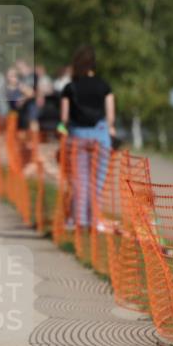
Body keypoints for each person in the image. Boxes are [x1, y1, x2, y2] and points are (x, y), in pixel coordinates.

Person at [58, 45, 115, 231]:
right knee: (96, 182)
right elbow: (110, 116)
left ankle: (79, 221)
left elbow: (64, 118)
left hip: (78, 136)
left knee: (79, 181)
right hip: (100, 135)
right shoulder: (104, 86)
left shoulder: (70, 87)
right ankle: (94, 220)